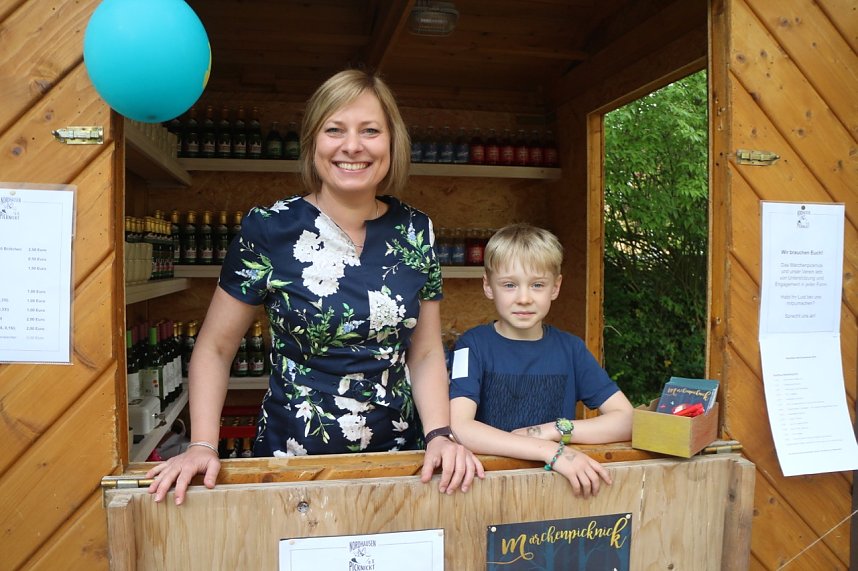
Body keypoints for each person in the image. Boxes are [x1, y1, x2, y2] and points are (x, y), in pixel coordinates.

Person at [148, 69, 484, 504]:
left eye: (370, 131)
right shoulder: (269, 229)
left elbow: (423, 351)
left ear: (392, 143)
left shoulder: (417, 230)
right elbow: (214, 348)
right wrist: (202, 446)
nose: (352, 146)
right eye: (334, 130)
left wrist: (441, 434)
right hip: (293, 461)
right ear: (312, 142)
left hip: (403, 461)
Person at [448, 223, 632, 498]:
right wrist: (550, 451)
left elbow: (627, 420)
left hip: (557, 491)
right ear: (488, 286)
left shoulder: (571, 349)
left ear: (555, 287)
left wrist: (552, 431)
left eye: (537, 285)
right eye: (509, 285)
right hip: (487, 488)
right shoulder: (470, 347)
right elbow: (460, 426)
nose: (524, 298)